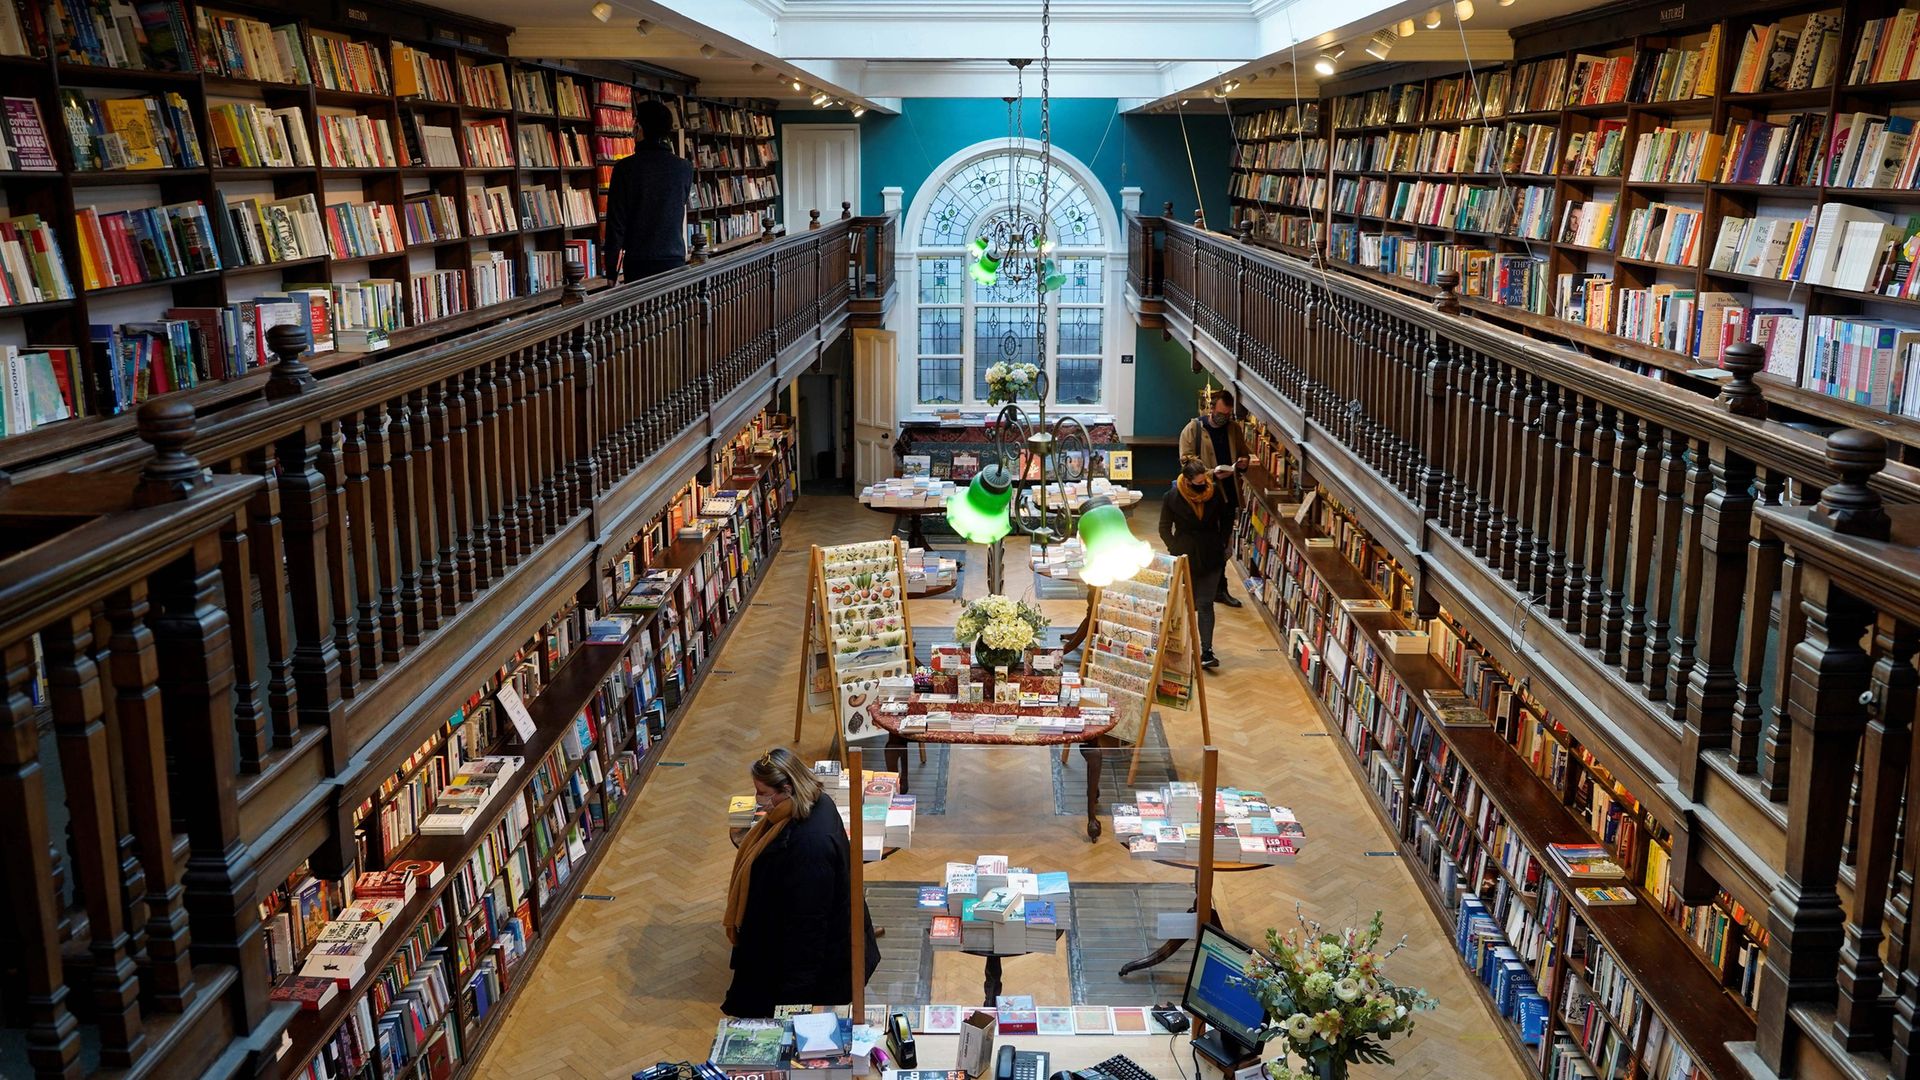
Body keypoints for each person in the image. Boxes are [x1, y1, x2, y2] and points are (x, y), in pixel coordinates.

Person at [722, 747, 880, 1016]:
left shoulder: (809, 845)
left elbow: (809, 925)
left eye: (763, 793)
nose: (759, 800)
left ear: (786, 788)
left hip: (810, 966)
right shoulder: (815, 803)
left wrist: (794, 998)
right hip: (801, 946)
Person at [604, 99, 694, 283]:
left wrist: (611, 271)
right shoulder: (684, 168)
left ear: (640, 128)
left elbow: (616, 224)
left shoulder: (625, 169)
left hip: (639, 263)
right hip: (674, 259)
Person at [1178, 389, 1252, 608]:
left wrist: (1244, 462)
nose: (1224, 418)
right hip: (1204, 496)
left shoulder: (1233, 429)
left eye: (1228, 414)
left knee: (1222, 544)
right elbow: (1186, 464)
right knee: (1204, 544)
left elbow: (1244, 452)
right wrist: (1211, 473)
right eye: (1221, 413)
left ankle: (1219, 588)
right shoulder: (1194, 429)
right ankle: (1198, 588)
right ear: (1211, 408)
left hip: (1228, 495)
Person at [1159, 460, 1230, 669]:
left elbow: (1226, 519)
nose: (1203, 485)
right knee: (1183, 604)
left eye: (1204, 481)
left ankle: (1206, 651)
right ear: (1188, 481)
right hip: (1185, 555)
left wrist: (1224, 543)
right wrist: (1174, 548)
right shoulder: (1171, 497)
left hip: (1211, 554)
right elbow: (1164, 527)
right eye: (1198, 482)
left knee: (1206, 603)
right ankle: (1178, 646)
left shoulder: (1214, 492)